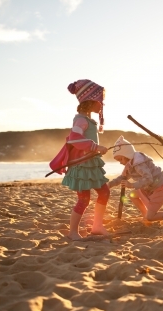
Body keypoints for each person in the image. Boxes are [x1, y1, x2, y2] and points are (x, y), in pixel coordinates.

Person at [50, 79, 110, 240]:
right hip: (82, 165)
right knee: (84, 199)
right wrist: (95, 147)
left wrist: (96, 149)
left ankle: (97, 226)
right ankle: (73, 232)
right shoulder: (80, 120)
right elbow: (74, 139)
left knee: (104, 192)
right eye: (99, 101)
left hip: (90, 164)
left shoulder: (88, 120)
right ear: (90, 101)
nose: (101, 104)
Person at [108, 136, 163, 223]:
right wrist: (110, 184)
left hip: (160, 188)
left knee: (151, 217)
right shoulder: (130, 165)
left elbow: (148, 179)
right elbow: (122, 177)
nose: (120, 162)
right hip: (148, 189)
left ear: (127, 155)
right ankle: (145, 214)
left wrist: (132, 185)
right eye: (118, 160)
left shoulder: (139, 164)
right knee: (132, 195)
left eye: (120, 159)